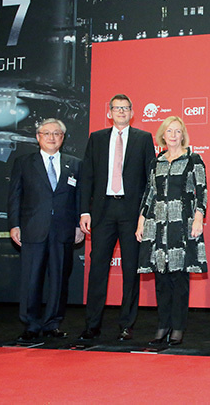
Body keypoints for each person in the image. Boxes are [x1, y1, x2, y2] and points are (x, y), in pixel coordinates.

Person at [79, 94, 155, 341]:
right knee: (98, 269)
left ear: (132, 112)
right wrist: (85, 211)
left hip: (132, 213)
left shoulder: (144, 138)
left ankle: (126, 324)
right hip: (102, 211)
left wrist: (145, 214)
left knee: (131, 270)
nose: (121, 111)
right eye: (116, 108)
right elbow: (87, 177)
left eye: (125, 108)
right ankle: (92, 325)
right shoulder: (97, 138)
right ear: (109, 113)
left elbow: (151, 180)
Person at [8, 118, 83, 342]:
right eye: (47, 133)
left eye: (57, 133)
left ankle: (52, 324)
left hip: (63, 230)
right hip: (33, 229)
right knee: (31, 280)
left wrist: (79, 225)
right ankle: (31, 325)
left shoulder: (75, 164)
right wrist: (14, 224)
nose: (52, 137)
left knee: (59, 280)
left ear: (63, 138)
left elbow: (80, 198)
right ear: (38, 137)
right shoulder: (23, 162)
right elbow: (15, 196)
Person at [135, 116, 207, 346]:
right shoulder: (156, 161)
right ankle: (162, 325)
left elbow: (201, 191)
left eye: (178, 131)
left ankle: (177, 327)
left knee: (179, 278)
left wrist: (199, 218)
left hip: (181, 225)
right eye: (169, 131)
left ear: (183, 135)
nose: (173, 135)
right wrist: (141, 220)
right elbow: (149, 193)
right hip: (157, 226)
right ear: (163, 135)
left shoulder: (193, 159)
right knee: (161, 278)